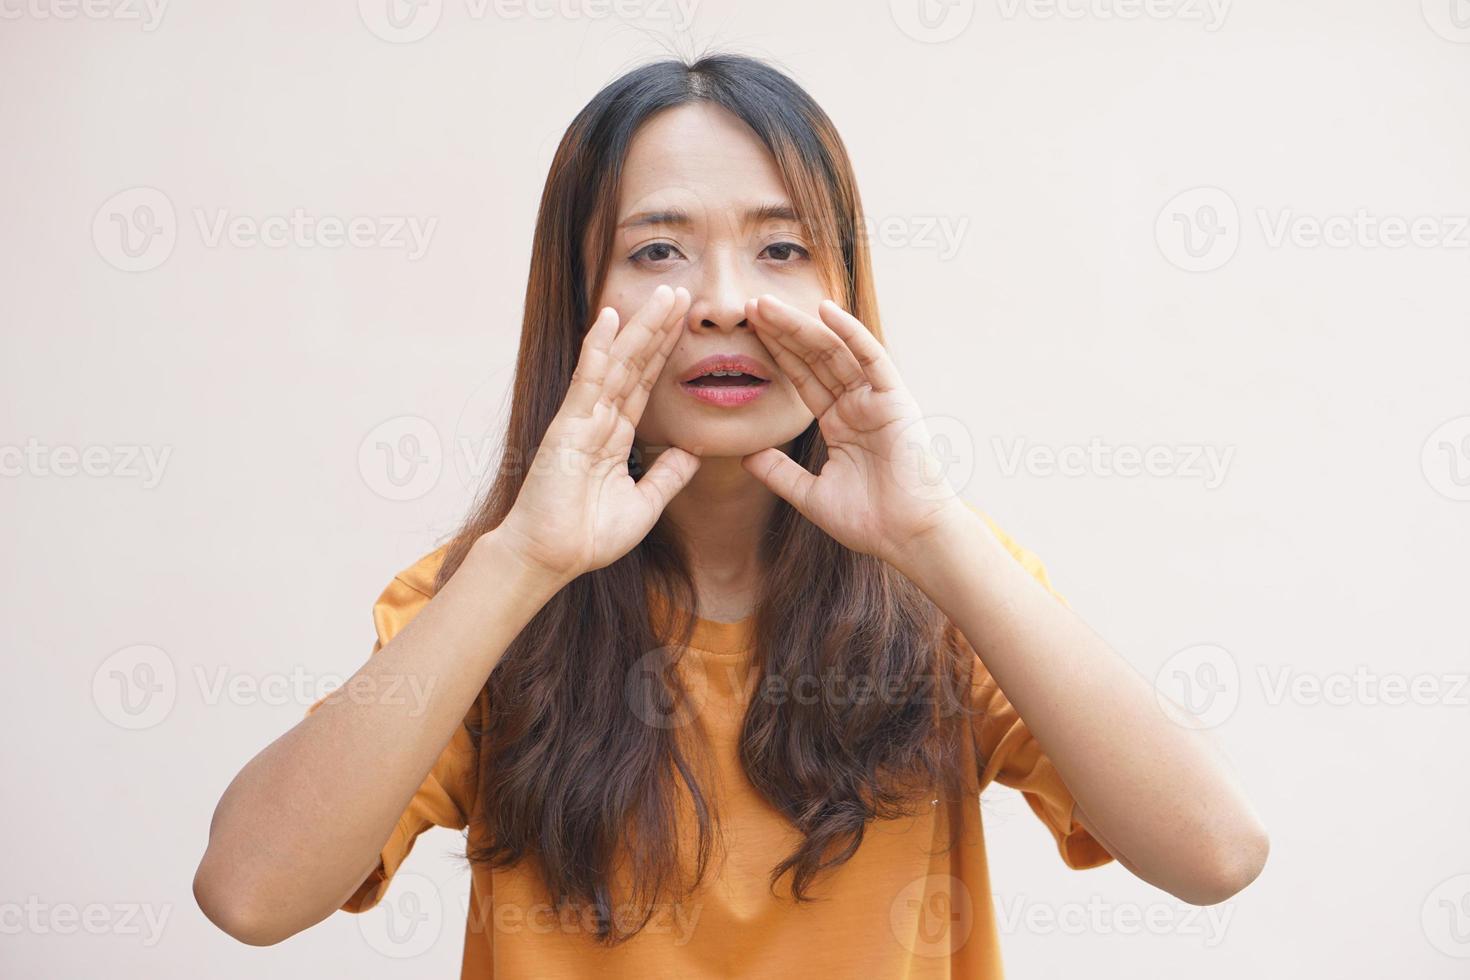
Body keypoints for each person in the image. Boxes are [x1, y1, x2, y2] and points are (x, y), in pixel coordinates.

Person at [193, 52, 1269, 978]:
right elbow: (249, 892)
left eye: (781, 249)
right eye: (657, 248)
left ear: (845, 286)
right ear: (582, 298)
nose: (719, 298)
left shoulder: (945, 593)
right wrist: (523, 558)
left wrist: (933, 533)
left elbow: (1215, 852)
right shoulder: (479, 593)